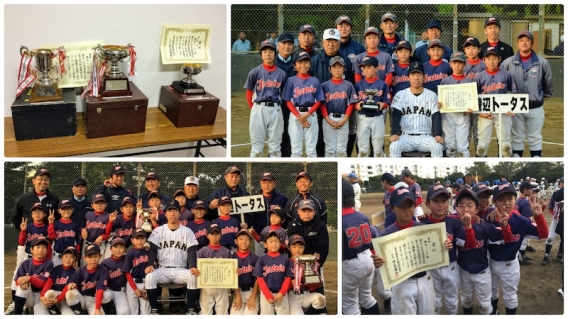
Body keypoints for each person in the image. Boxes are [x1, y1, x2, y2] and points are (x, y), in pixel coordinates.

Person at [375, 186, 449, 315]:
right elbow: (381, 264)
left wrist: (444, 246)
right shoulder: (386, 235)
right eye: (402, 206)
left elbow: (436, 252)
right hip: (402, 282)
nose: (407, 210)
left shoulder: (424, 229)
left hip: (425, 279)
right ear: (392, 208)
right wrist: (378, 262)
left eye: (410, 205)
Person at [485, 183, 549, 314]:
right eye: (501, 199)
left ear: (515, 199)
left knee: (510, 296)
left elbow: (543, 234)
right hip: (490, 263)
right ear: (495, 202)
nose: (506, 203)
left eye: (510, 198)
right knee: (491, 293)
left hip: (510, 265)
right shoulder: (489, 218)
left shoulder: (520, 220)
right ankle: (494, 313)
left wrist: (538, 216)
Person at [453, 188, 511, 315]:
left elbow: (506, 238)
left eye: (470, 206)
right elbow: (439, 220)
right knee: (466, 300)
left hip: (482, 271)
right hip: (464, 271)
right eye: (461, 206)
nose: (466, 209)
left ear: (477, 209)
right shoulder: (453, 225)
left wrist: (504, 226)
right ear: (456, 208)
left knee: (485, 304)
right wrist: (425, 217)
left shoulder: (484, 226)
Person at [501, 30, 554, 158]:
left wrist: (540, 97)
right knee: (517, 137)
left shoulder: (542, 63)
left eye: (527, 40)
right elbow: (502, 83)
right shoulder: (508, 63)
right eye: (521, 40)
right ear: (517, 43)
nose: (524, 43)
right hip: (516, 106)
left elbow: (549, 84)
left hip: (535, 106)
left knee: (535, 137)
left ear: (532, 42)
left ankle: (536, 157)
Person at [144, 199, 200, 315]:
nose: (172, 213)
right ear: (165, 213)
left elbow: (191, 251)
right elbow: (153, 250)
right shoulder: (158, 231)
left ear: (180, 213)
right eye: (170, 211)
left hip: (180, 269)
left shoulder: (187, 231)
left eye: (175, 211)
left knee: (192, 276)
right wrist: (150, 264)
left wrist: (193, 266)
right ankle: (154, 310)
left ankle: (190, 310)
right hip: (163, 269)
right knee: (150, 276)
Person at [422, 184, 467, 315]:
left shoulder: (454, 222)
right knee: (434, 300)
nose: (440, 204)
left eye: (443, 201)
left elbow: (462, 242)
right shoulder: (421, 224)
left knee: (452, 299)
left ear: (448, 203)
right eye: (435, 201)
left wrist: (453, 242)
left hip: (451, 265)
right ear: (427, 204)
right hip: (432, 267)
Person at [309, 28, 354, 158]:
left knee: (341, 146)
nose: (331, 44)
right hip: (318, 108)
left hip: (340, 109)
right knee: (319, 141)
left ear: (339, 43)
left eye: (334, 41)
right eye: (328, 41)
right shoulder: (315, 61)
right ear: (323, 42)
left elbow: (349, 87)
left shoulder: (346, 61)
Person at [389, 61, 444, 157]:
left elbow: (436, 116)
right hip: (406, 136)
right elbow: (396, 116)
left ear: (424, 77)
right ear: (408, 77)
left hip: (425, 136)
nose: (416, 77)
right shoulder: (401, 95)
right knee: (394, 146)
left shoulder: (432, 95)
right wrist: (394, 133)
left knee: (437, 146)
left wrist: (438, 134)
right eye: (413, 74)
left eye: (419, 74)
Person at [342, 180, 379, 315]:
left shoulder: (341, 220)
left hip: (351, 264)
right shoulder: (362, 216)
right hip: (368, 258)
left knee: (350, 306)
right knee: (367, 299)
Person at [244, 39, 287, 158]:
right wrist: (254, 109)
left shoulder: (282, 74)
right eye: (264, 51)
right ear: (260, 55)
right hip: (259, 108)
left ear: (275, 54)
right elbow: (248, 93)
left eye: (271, 51)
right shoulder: (255, 72)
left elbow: (284, 94)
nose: (268, 54)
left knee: (275, 147)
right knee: (257, 148)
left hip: (276, 109)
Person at [286, 199, 329, 315]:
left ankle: (317, 311)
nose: (306, 213)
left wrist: (315, 265)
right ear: (298, 211)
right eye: (303, 210)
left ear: (314, 212)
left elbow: (323, 249)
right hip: (296, 263)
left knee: (318, 287)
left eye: (309, 210)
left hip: (314, 263)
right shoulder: (292, 225)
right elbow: (293, 246)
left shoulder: (320, 225)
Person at [476, 46, 517, 157]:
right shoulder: (480, 77)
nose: (491, 61)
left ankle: (506, 165)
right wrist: (480, 113)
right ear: (484, 60)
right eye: (488, 58)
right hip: (485, 112)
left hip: (503, 112)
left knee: (506, 146)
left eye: (494, 58)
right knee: (481, 147)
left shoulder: (507, 75)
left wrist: (512, 109)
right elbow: (474, 97)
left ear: (499, 59)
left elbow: (514, 94)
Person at [282, 51, 324, 157]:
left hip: (311, 114)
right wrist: (299, 116)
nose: (303, 65)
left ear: (310, 64)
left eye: (306, 62)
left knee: (311, 150)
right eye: (299, 62)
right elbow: (287, 100)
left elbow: (319, 100)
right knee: (296, 150)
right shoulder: (291, 81)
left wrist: (308, 114)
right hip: (296, 114)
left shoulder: (315, 81)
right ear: (294, 65)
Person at [336, 15, 366, 157]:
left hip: (353, 93)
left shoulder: (359, 48)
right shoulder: (331, 45)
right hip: (335, 94)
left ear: (351, 28)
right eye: (341, 25)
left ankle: (347, 154)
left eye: (346, 25)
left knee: (353, 127)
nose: (344, 28)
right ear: (336, 28)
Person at [437, 51, 475, 157]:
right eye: (454, 63)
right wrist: (440, 104)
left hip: (463, 115)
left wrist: (472, 107)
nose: (457, 65)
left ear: (464, 64)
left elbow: (473, 101)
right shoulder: (445, 81)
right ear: (450, 64)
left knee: (462, 147)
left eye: (460, 63)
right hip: (448, 116)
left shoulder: (470, 81)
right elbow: (441, 100)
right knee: (450, 147)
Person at [320, 56, 357, 158]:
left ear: (344, 69)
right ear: (329, 69)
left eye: (340, 67)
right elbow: (322, 104)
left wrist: (345, 119)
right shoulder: (324, 85)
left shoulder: (348, 85)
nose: (337, 70)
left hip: (343, 118)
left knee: (341, 149)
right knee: (330, 149)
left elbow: (351, 104)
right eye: (334, 67)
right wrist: (327, 119)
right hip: (328, 118)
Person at [354, 56, 391, 157]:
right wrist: (358, 105)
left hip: (377, 118)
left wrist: (383, 104)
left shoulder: (382, 84)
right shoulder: (358, 85)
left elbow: (387, 100)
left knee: (378, 150)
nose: (366, 70)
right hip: (363, 118)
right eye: (364, 68)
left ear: (376, 68)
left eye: (369, 67)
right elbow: (354, 102)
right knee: (362, 150)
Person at [64, 243, 114, 315]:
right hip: (82, 299)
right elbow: (70, 284)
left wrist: (97, 309)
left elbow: (100, 289)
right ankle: (80, 313)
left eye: (95, 256)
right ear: (85, 258)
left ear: (100, 256)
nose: (93, 260)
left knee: (106, 294)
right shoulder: (80, 270)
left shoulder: (103, 270)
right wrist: (72, 285)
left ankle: (109, 312)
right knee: (70, 293)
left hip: (94, 300)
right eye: (90, 257)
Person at [253, 230, 293, 315]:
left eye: (276, 241)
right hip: (266, 293)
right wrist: (267, 295)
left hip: (281, 293)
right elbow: (259, 279)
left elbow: (288, 278)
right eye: (271, 242)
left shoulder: (285, 259)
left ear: (280, 244)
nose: (274, 244)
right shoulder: (261, 260)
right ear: (265, 244)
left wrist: (282, 292)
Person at [12, 236, 54, 315]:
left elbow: (42, 284)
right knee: (21, 288)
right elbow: (17, 280)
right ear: (31, 250)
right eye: (38, 247)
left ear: (46, 251)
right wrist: (22, 282)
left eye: (44, 247)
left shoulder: (49, 264)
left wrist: (29, 278)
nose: (41, 250)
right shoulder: (26, 263)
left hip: (41, 297)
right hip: (28, 296)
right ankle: (17, 313)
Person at [197, 224, 232, 315]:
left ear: (221, 235)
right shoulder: (202, 251)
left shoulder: (226, 251)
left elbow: (230, 268)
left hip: (222, 285)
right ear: (207, 235)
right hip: (207, 285)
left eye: (217, 234)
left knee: (222, 311)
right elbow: (198, 268)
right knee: (206, 311)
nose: (215, 236)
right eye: (212, 234)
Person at [287, 234, 326, 315]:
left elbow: (312, 286)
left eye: (300, 247)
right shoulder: (286, 262)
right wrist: (293, 282)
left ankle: (308, 314)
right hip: (292, 297)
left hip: (306, 295)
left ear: (304, 248)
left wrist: (315, 280)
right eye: (294, 246)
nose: (297, 249)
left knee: (321, 299)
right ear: (289, 247)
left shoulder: (308, 262)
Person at [12, 168, 60, 232]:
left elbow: (58, 219)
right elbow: (15, 216)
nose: (43, 182)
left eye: (46, 179)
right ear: (33, 181)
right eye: (40, 179)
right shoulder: (24, 198)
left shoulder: (55, 199)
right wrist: (22, 231)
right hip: (28, 238)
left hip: (46, 239)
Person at [36, 246, 78, 315]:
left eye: (71, 257)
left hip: (64, 299)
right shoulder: (56, 269)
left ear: (75, 260)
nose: (68, 259)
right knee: (49, 293)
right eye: (66, 256)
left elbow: (66, 288)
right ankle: (53, 310)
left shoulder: (75, 272)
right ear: (62, 257)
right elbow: (48, 283)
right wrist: (42, 296)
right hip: (53, 296)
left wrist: (57, 300)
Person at [275, 32, 298, 157]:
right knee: (275, 138)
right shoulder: (271, 61)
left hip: (292, 105)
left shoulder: (298, 62)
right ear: (278, 45)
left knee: (290, 136)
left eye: (290, 44)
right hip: (276, 105)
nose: (287, 46)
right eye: (284, 43)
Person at [462, 37, 485, 152]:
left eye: (474, 48)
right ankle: (465, 155)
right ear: (464, 50)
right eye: (468, 47)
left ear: (479, 49)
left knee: (477, 132)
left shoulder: (484, 65)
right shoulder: (461, 64)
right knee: (465, 133)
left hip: (479, 102)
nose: (471, 50)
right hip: (464, 103)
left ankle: (478, 154)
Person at [121, 228, 151, 315]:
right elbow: (127, 272)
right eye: (137, 238)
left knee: (146, 313)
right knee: (133, 312)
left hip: (146, 282)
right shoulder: (130, 253)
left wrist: (147, 287)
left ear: (146, 239)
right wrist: (135, 288)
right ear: (132, 240)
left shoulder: (148, 252)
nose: (139, 241)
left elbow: (152, 270)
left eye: (142, 238)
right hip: (132, 283)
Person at [230, 229, 260, 315]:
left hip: (252, 292)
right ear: (236, 241)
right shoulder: (232, 258)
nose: (244, 242)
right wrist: (238, 296)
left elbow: (258, 279)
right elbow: (231, 279)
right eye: (241, 239)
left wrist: (253, 297)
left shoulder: (255, 258)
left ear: (250, 242)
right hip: (238, 291)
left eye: (247, 239)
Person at [100, 237, 130, 315]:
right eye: (115, 247)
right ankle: (109, 312)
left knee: (124, 312)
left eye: (121, 247)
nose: (118, 250)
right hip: (108, 290)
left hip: (120, 291)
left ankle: (115, 308)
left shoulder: (127, 258)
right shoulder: (105, 262)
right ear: (111, 249)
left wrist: (146, 246)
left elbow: (137, 251)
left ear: (125, 249)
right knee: (105, 295)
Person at [48, 199, 81, 267]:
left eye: (68, 209)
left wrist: (76, 258)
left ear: (72, 210)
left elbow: (77, 243)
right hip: (57, 256)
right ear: (59, 211)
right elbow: (52, 237)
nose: (66, 211)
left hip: (70, 257)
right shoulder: (55, 224)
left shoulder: (75, 225)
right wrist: (51, 224)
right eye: (64, 209)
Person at [81, 194, 110, 264]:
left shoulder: (108, 216)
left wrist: (102, 236)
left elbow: (109, 234)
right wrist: (83, 229)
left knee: (99, 265)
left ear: (106, 204)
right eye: (96, 203)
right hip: (87, 244)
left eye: (101, 203)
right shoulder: (88, 214)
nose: (99, 205)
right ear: (92, 205)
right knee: (85, 266)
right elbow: (82, 226)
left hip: (100, 245)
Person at [542, 177, 564, 265]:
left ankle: (560, 254)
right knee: (551, 236)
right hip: (556, 219)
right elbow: (551, 208)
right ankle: (546, 254)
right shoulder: (556, 194)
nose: (564, 184)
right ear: (559, 184)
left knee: (563, 238)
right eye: (563, 182)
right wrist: (557, 215)